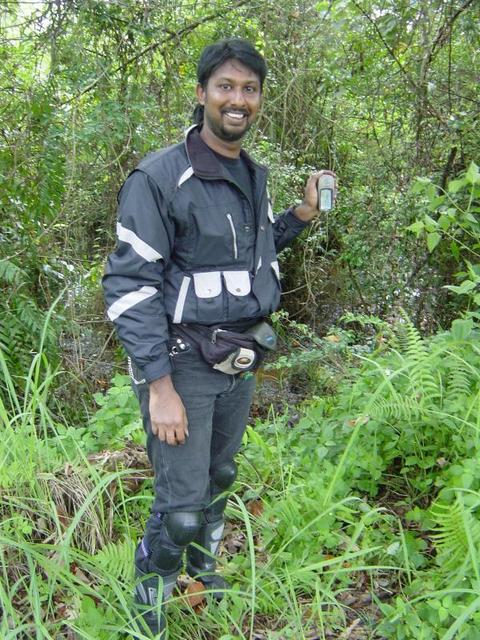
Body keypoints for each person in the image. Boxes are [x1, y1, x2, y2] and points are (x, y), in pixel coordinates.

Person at [103, 38, 335, 637]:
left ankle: (203, 573)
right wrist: (159, 385)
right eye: (226, 87)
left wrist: (298, 219)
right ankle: (150, 597)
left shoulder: (251, 174)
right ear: (203, 93)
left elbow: (243, 260)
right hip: (181, 364)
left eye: (249, 89)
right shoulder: (159, 177)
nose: (238, 100)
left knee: (219, 480)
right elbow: (130, 287)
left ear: (259, 99)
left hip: (240, 357)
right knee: (180, 506)